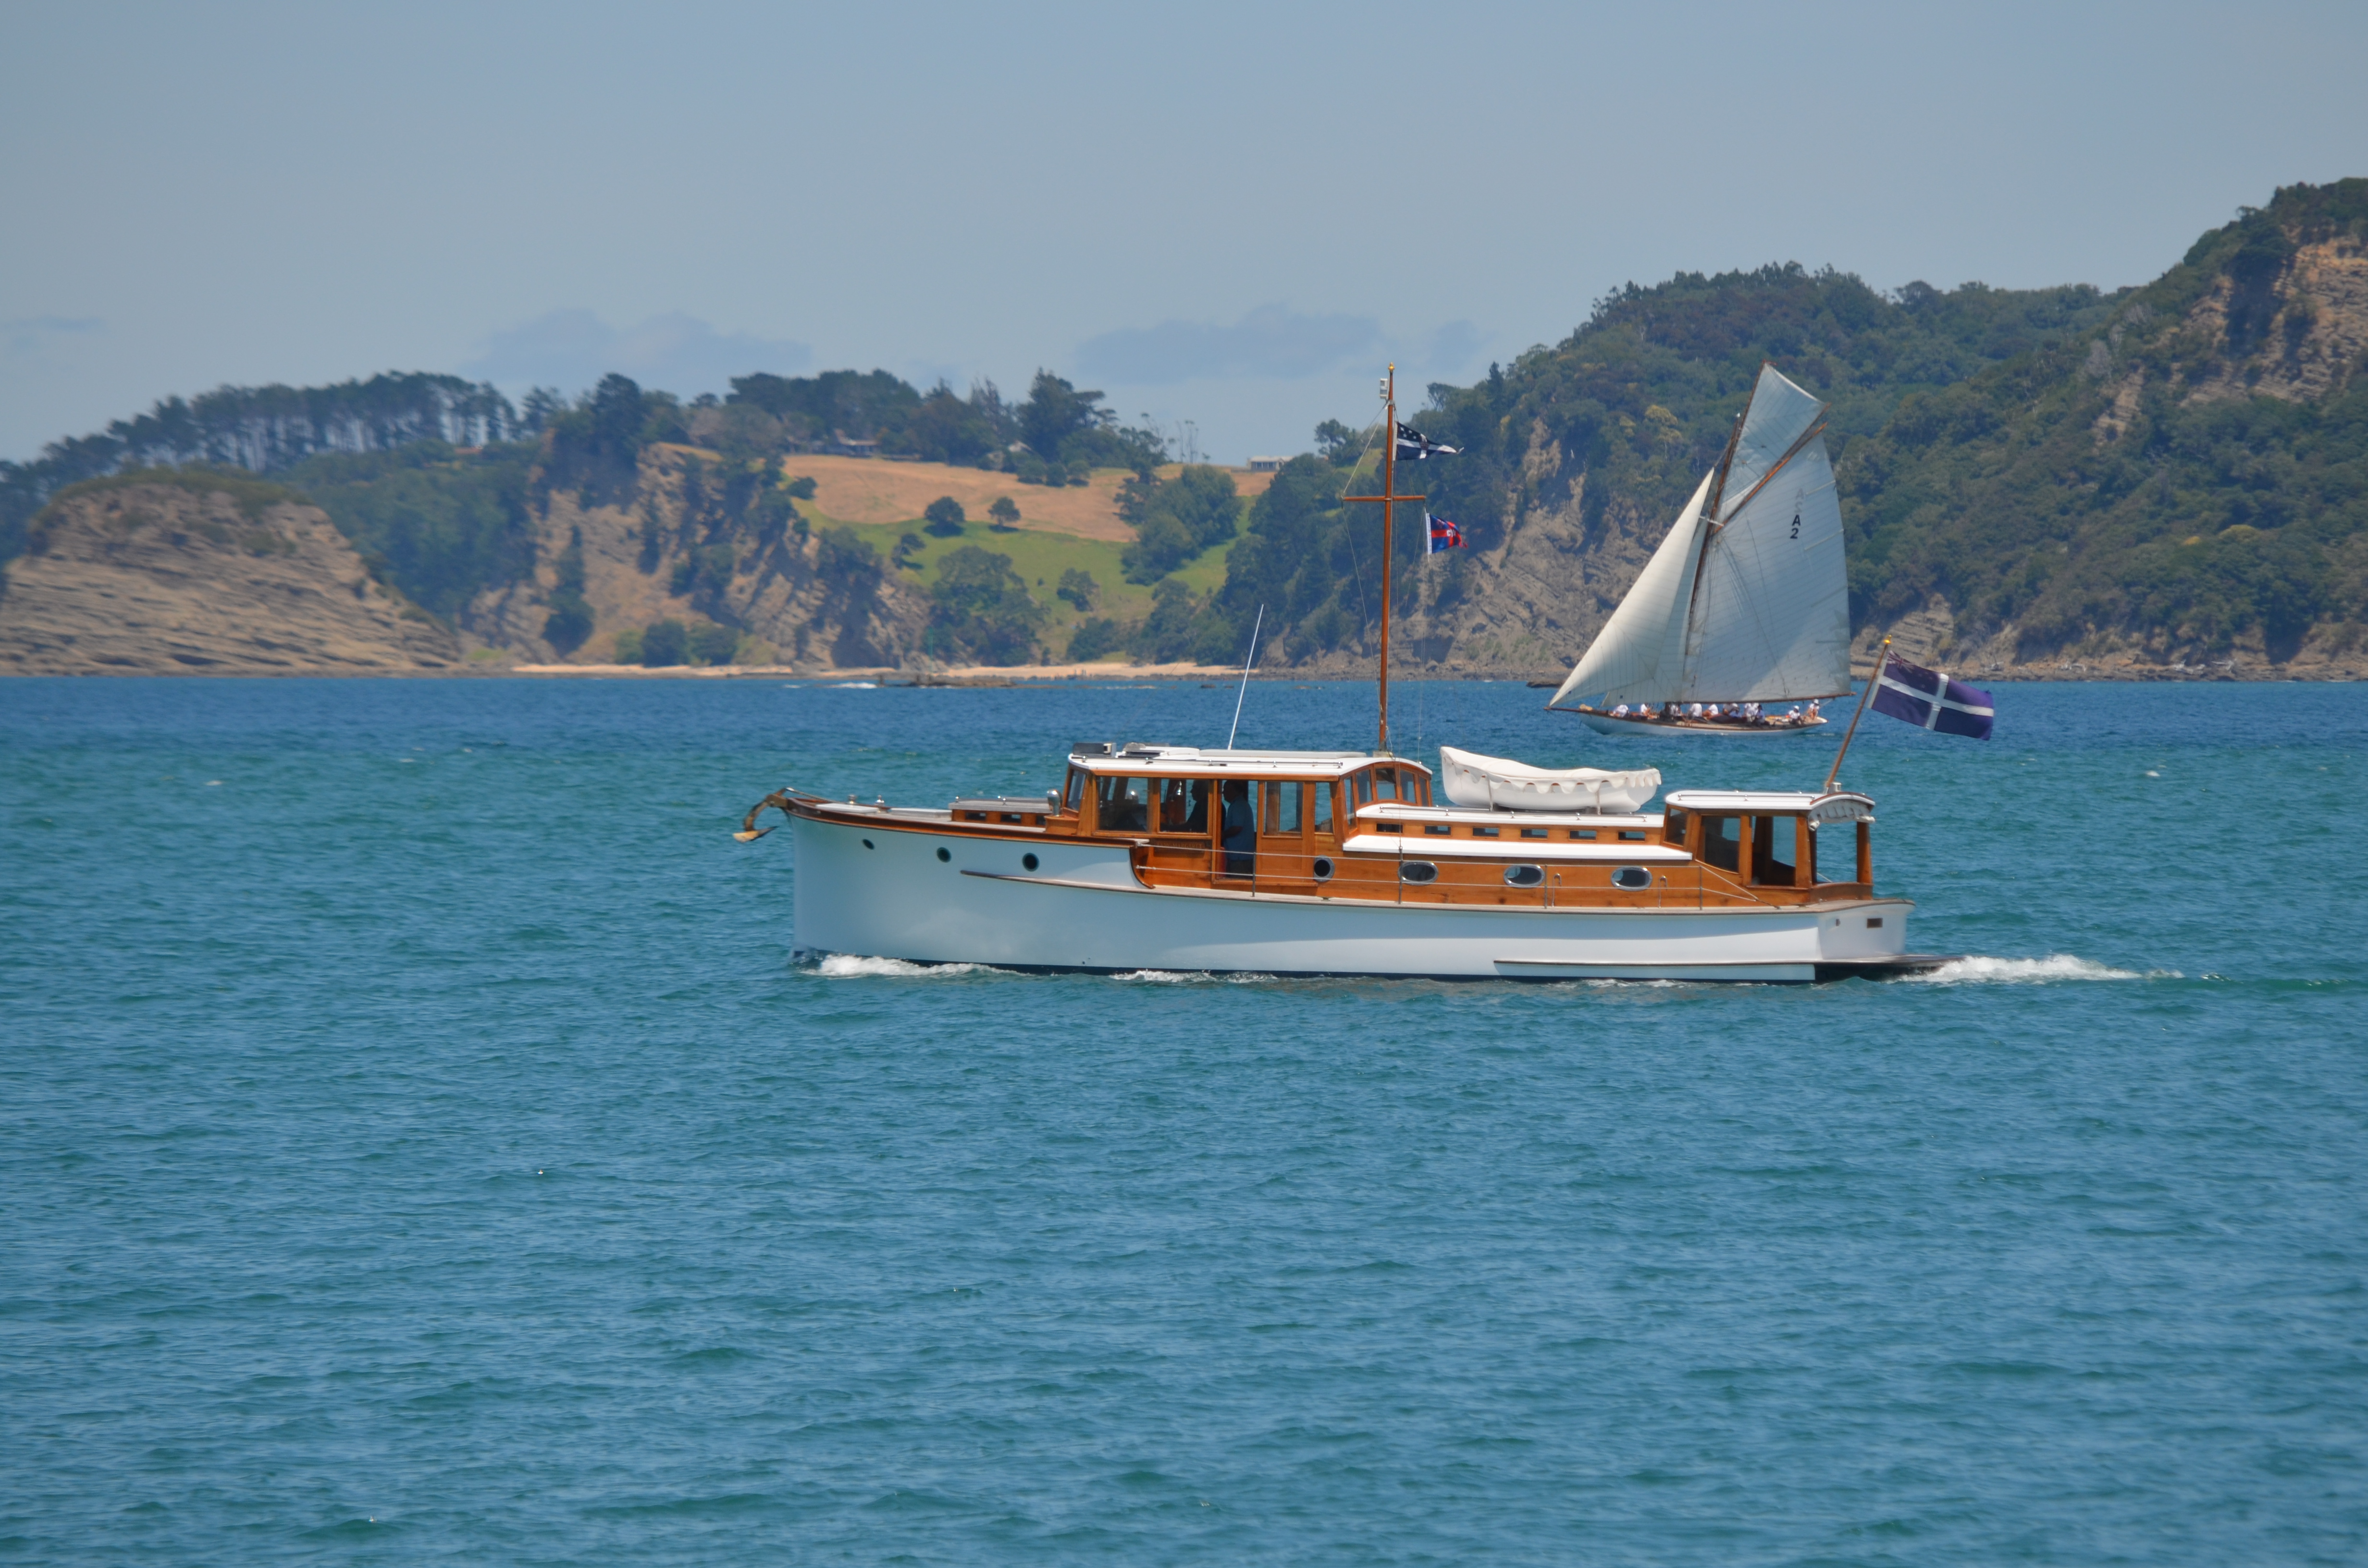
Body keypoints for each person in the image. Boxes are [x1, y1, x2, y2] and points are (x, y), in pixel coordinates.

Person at [1219, 779, 1256, 877]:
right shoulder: (1238, 804)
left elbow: (1237, 828)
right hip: (1239, 856)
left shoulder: (1239, 805)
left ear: (1233, 791)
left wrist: (1222, 835)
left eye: (1225, 790)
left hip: (1240, 857)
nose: (1223, 793)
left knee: (1238, 881)